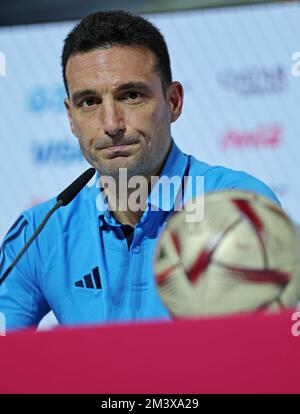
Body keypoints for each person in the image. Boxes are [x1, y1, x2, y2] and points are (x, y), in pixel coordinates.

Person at [0, 10, 279, 331]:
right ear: (70, 117)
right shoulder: (40, 231)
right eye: (89, 102)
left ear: (173, 101)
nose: (111, 125)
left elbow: (264, 356)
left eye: (131, 95)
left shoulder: (240, 206)